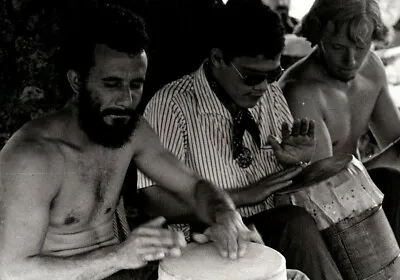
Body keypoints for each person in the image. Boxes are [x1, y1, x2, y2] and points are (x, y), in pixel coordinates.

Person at [0, 4, 256, 280]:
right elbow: (12, 270)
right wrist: (120, 255)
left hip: (124, 272)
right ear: (76, 82)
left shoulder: (133, 131)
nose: (127, 99)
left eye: (136, 84)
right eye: (112, 84)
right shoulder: (32, 157)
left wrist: (225, 215)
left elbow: (194, 188)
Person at [137, 0, 343, 279]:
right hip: (211, 241)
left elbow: (286, 192)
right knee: (293, 225)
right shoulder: (172, 105)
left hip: (266, 233)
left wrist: (297, 164)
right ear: (218, 58)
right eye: (251, 76)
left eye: (272, 74)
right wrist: (237, 199)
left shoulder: (269, 96)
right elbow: (152, 200)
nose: (262, 86)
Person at [279, 0, 400, 242]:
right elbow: (327, 192)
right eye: (337, 47)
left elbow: (395, 145)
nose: (351, 60)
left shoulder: (372, 66)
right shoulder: (301, 91)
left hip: (362, 198)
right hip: (323, 217)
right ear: (317, 36)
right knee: (393, 181)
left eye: (361, 46)